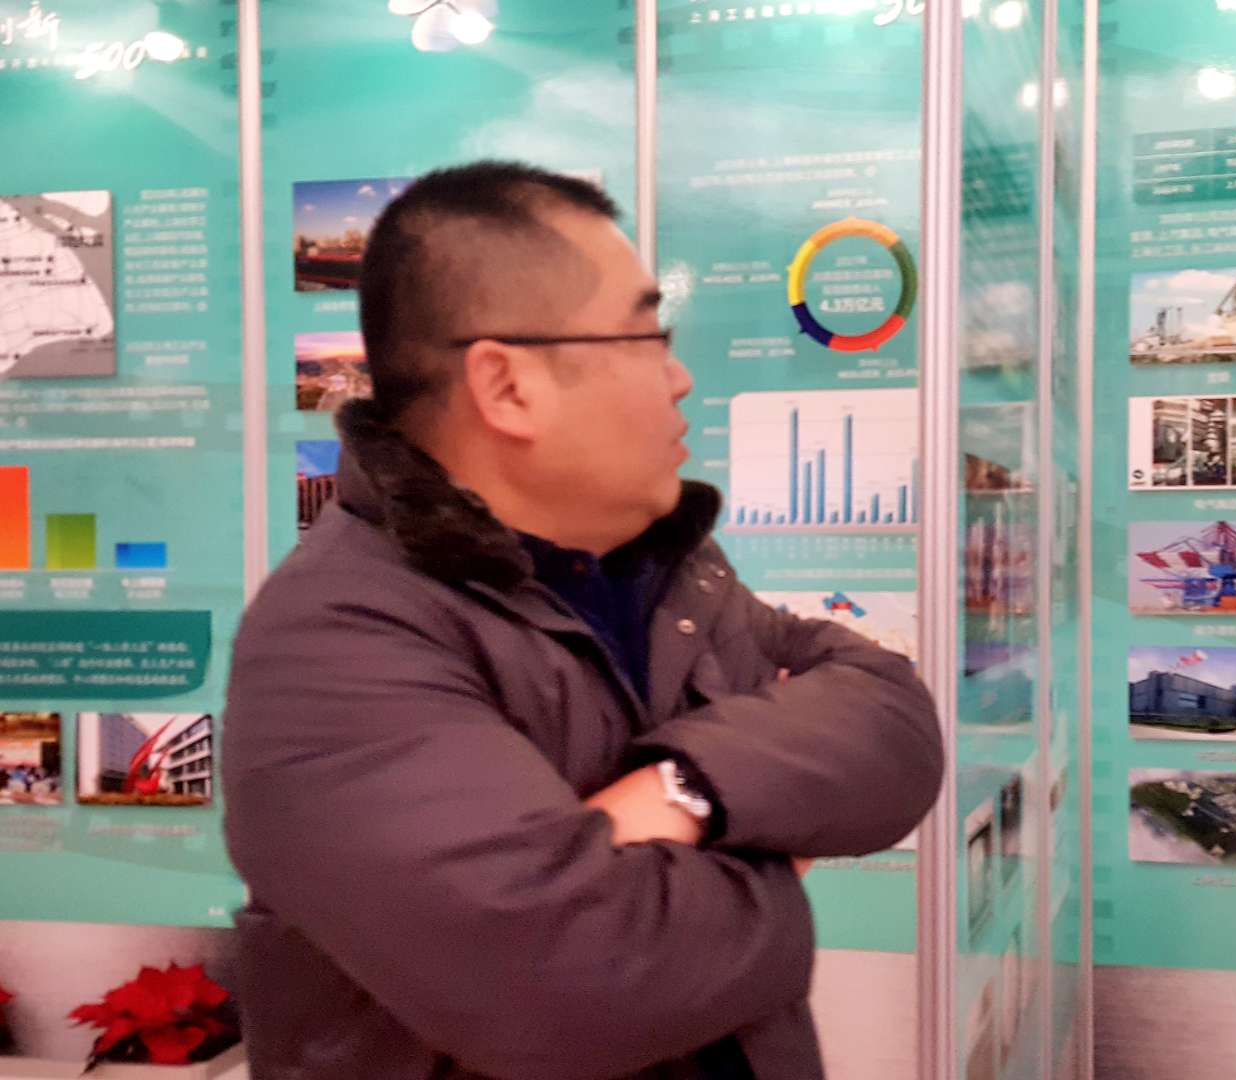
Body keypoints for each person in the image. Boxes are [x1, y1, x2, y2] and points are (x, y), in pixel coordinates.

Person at [222, 162, 944, 1080]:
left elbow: (890, 714)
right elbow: (568, 983)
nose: (679, 378)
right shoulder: (336, 641)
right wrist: (777, 851)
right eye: (647, 337)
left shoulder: (668, 574)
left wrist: (684, 790)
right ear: (507, 386)